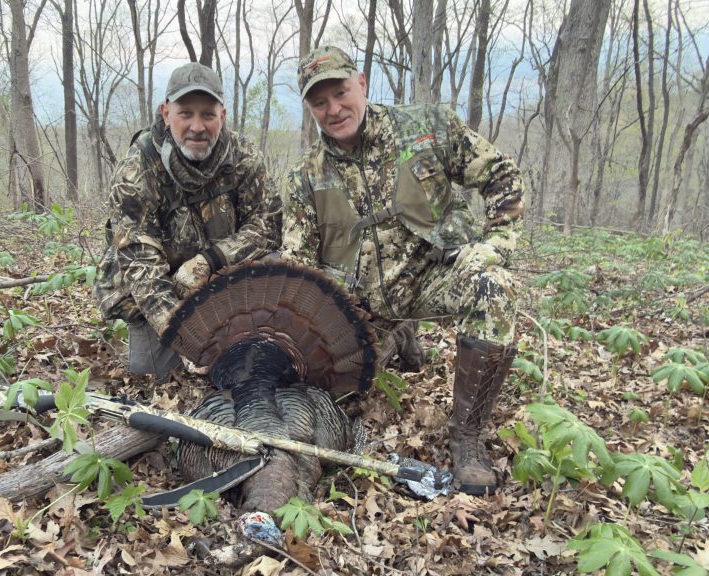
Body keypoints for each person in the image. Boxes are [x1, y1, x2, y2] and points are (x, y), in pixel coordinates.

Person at [282, 46, 525, 495]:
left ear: (362, 84)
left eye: (340, 93)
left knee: (493, 287)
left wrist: (493, 245)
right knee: (329, 403)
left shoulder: (426, 129)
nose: (334, 109)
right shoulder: (304, 177)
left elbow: (502, 177)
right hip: (361, 304)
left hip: (435, 275)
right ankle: (398, 339)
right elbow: (299, 269)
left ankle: (467, 438)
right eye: (320, 102)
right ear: (310, 108)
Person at [95, 62, 282, 379]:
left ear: (222, 116)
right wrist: (186, 339)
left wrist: (211, 260)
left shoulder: (244, 157)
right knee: (154, 374)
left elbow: (269, 226)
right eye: (186, 113)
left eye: (208, 114)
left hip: (221, 283)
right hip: (164, 290)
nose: (198, 126)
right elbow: (142, 270)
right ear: (166, 113)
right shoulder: (137, 168)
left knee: (273, 267)